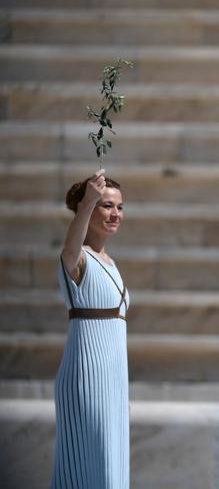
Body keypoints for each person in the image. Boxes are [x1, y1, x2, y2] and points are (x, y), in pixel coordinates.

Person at [52, 169, 130, 488]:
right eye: (106, 205)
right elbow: (70, 250)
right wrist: (87, 202)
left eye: (120, 207)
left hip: (114, 378)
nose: (115, 214)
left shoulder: (109, 261)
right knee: (91, 466)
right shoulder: (78, 257)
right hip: (87, 375)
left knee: (112, 464)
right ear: (89, 207)